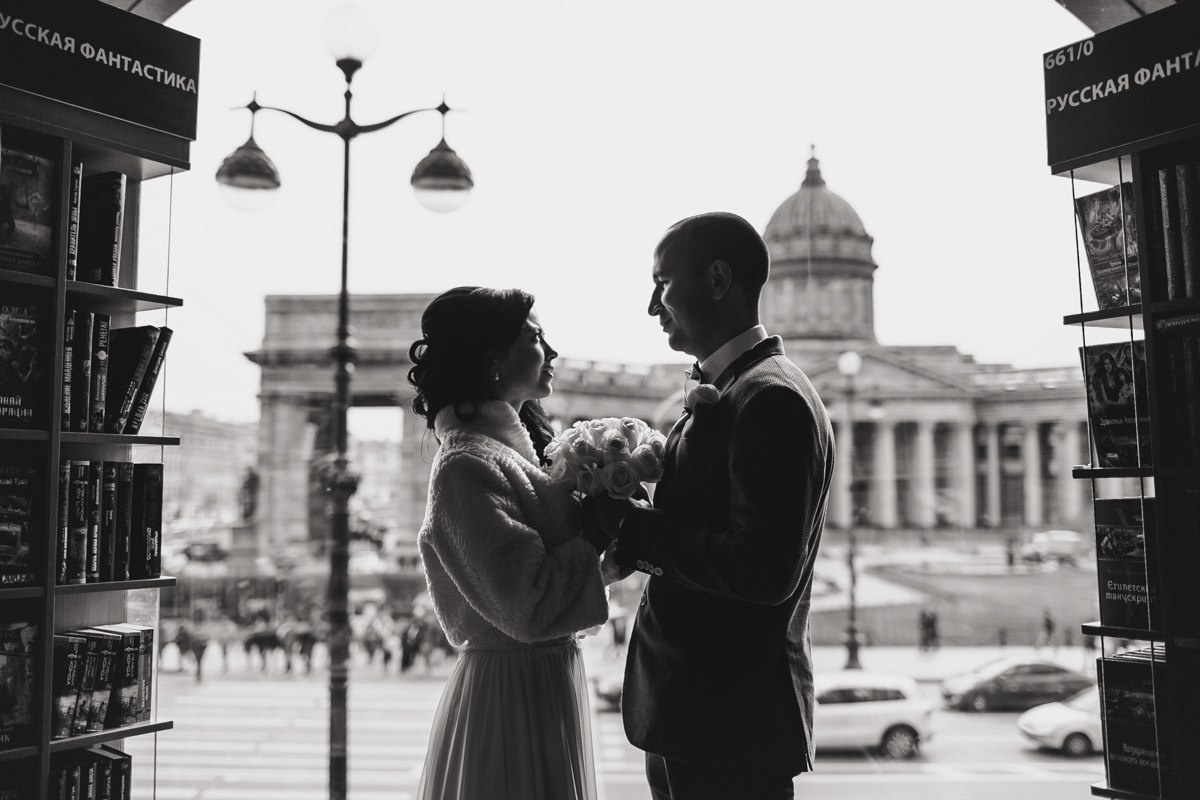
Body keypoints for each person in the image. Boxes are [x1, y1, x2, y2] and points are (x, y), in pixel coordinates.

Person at [585, 212, 834, 799]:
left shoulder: (769, 398)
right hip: (701, 717)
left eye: (663, 283)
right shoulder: (743, 387)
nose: (653, 305)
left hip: (725, 721)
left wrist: (629, 526)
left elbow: (763, 568)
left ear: (718, 279)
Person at [407, 286, 614, 800]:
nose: (553, 351)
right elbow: (528, 604)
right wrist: (600, 531)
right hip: (510, 700)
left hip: (537, 684)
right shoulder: (465, 465)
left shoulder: (501, 454)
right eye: (536, 337)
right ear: (493, 359)